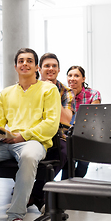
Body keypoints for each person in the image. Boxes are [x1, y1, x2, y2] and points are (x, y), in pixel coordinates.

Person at [0, 48, 61, 221]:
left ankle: (15, 217)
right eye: (21, 61)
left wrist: (23, 136)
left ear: (36, 66)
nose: (25, 64)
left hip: (33, 142)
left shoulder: (49, 89)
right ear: (15, 66)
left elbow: (51, 125)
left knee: (29, 156)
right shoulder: (6, 93)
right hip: (6, 142)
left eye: (29, 61)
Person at [27, 53, 76, 209]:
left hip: (58, 135)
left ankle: (34, 192)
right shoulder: (30, 87)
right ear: (39, 69)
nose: (51, 69)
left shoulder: (66, 91)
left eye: (54, 66)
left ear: (59, 69)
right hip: (34, 134)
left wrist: (53, 92)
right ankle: (35, 193)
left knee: (63, 150)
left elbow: (67, 119)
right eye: (47, 66)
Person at [61, 65, 101, 179]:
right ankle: (64, 189)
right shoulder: (64, 94)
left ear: (83, 79)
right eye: (70, 75)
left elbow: (93, 118)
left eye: (76, 76)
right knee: (67, 164)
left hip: (85, 135)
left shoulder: (93, 94)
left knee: (82, 167)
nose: (72, 78)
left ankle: (73, 186)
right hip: (67, 135)